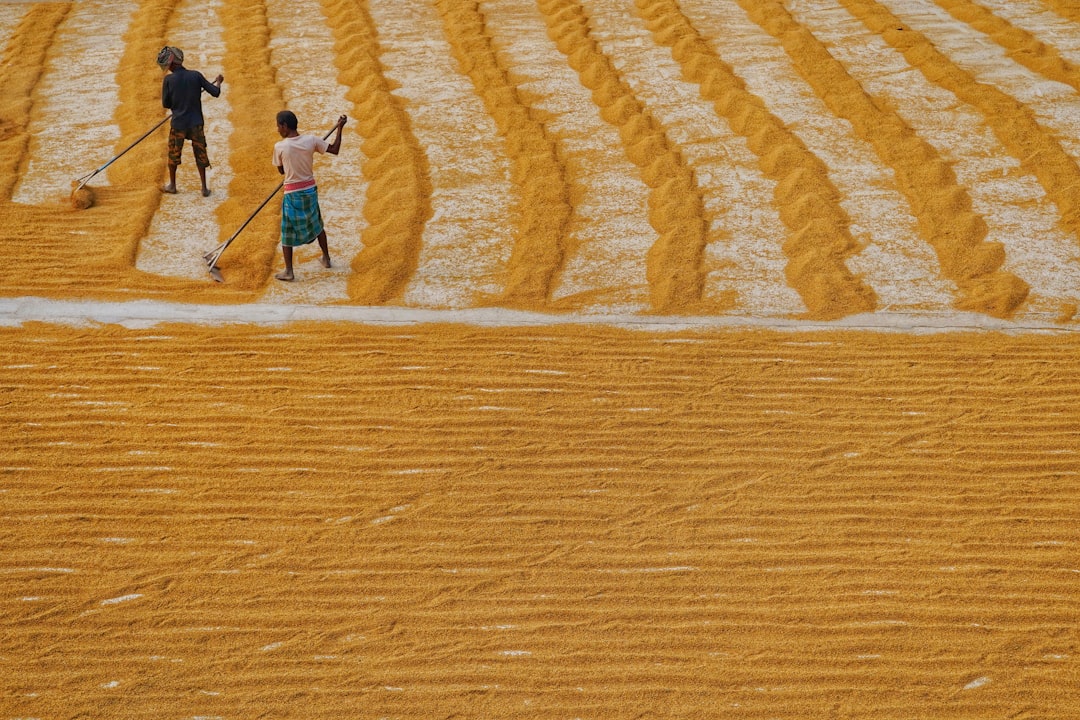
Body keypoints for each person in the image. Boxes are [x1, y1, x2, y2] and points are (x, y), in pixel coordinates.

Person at [271, 111, 346, 281]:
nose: (277, 129)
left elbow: (281, 170)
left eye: (278, 126)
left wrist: (291, 167)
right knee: (317, 223)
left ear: (284, 126)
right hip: (310, 191)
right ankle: (326, 258)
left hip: (292, 193)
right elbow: (334, 149)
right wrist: (340, 128)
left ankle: (289, 271)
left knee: (287, 230)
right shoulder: (311, 140)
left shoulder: (280, 147)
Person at [158, 46, 223, 196]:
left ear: (171, 64)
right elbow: (216, 92)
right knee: (200, 153)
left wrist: (177, 103)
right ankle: (204, 188)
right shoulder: (196, 76)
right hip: (195, 123)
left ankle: (172, 185)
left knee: (174, 154)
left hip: (178, 123)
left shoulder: (168, 80)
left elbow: (166, 104)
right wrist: (219, 81)